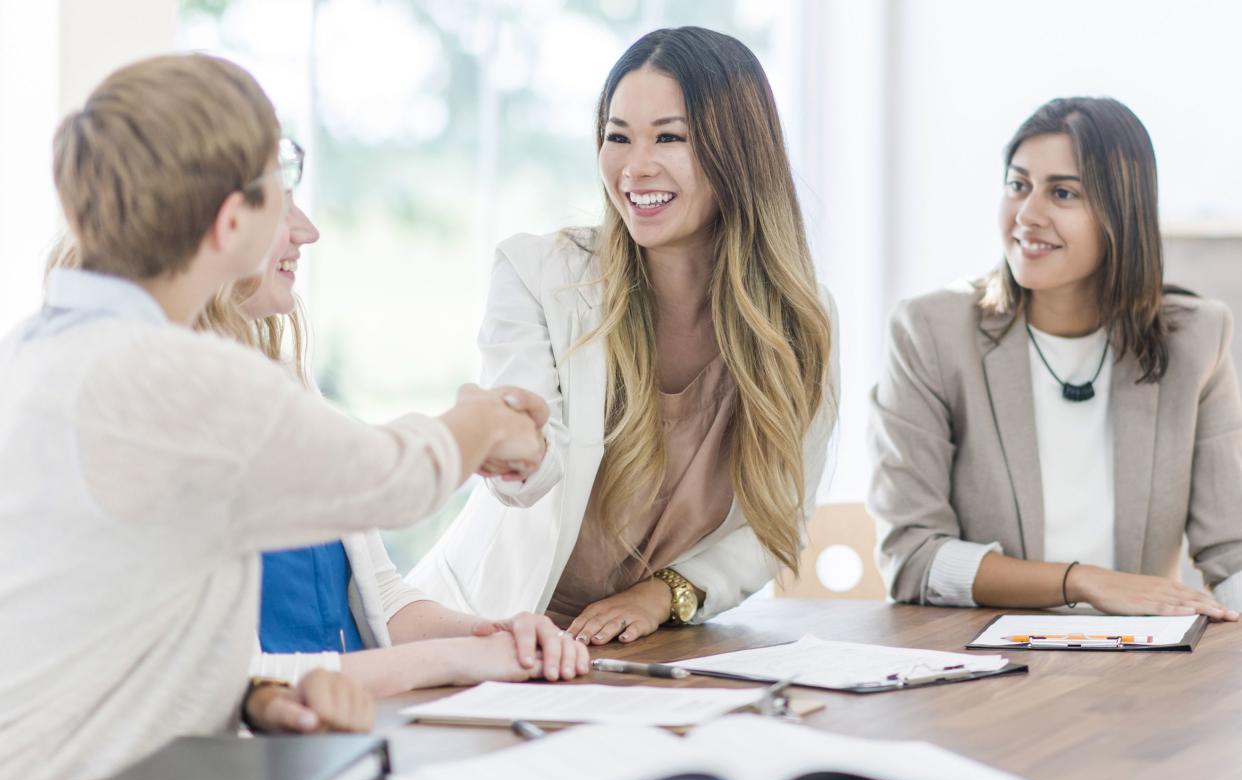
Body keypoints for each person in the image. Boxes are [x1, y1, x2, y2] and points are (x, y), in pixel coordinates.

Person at [0, 53, 548, 780]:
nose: (306, 223)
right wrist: (485, 422)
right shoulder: (173, 377)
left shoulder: (34, 356)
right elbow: (393, 479)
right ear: (230, 223)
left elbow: (108, 635)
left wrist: (252, 696)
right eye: (282, 187)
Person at [408, 26, 839, 645]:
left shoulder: (795, 323)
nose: (635, 167)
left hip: (648, 643)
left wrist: (664, 593)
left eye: (670, 137)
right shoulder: (538, 274)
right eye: (617, 137)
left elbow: (777, 521)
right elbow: (533, 466)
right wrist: (510, 447)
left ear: (738, 151)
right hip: (491, 630)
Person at [195, 173, 587, 697]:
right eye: (279, 207)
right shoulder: (163, 410)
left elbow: (375, 593)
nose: (307, 231)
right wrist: (460, 656)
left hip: (347, 729)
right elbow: (238, 683)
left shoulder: (281, 384)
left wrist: (493, 634)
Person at [868, 96, 1242, 619]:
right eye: (1018, 185)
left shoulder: (1196, 337)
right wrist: (1083, 582)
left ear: (1122, 214)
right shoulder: (931, 333)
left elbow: (1232, 552)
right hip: (989, 669)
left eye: (1062, 193)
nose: (1027, 215)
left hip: (1145, 667)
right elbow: (914, 559)